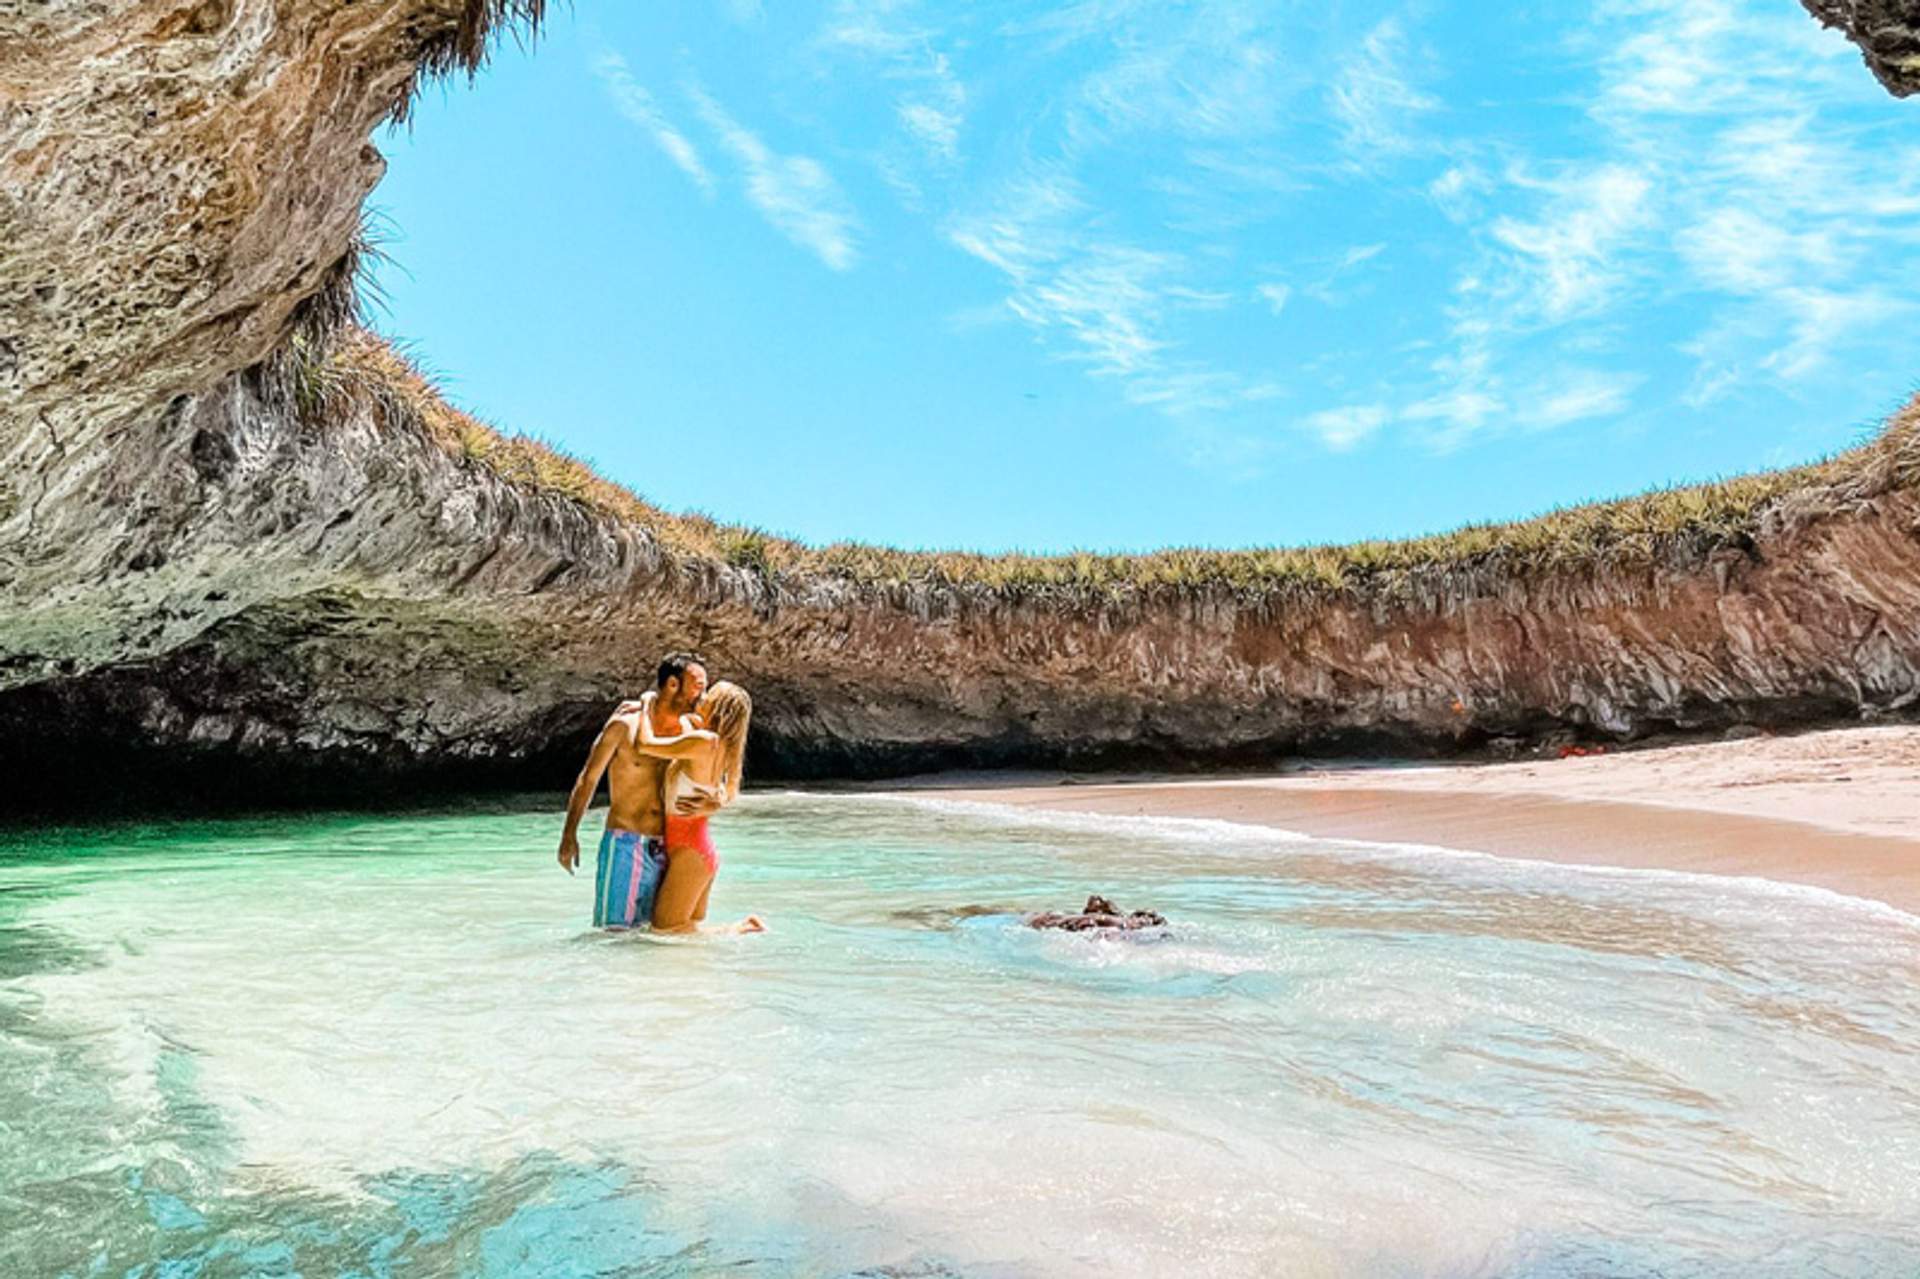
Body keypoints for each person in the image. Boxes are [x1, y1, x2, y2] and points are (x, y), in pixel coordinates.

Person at [557, 653, 722, 929]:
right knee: (614, 934)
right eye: (698, 686)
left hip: (668, 846)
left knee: (655, 937)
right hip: (625, 843)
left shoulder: (691, 728)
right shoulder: (624, 724)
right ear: (672, 684)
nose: (703, 695)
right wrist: (569, 835)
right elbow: (588, 779)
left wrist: (715, 803)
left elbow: (718, 782)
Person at [650, 680, 761, 933]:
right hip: (696, 849)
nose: (702, 697)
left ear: (718, 707)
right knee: (685, 929)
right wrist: (716, 801)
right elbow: (721, 791)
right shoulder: (718, 747)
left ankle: (743, 929)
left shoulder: (703, 743)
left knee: (665, 931)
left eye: (709, 695)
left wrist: (645, 704)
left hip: (690, 852)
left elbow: (645, 745)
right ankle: (742, 929)